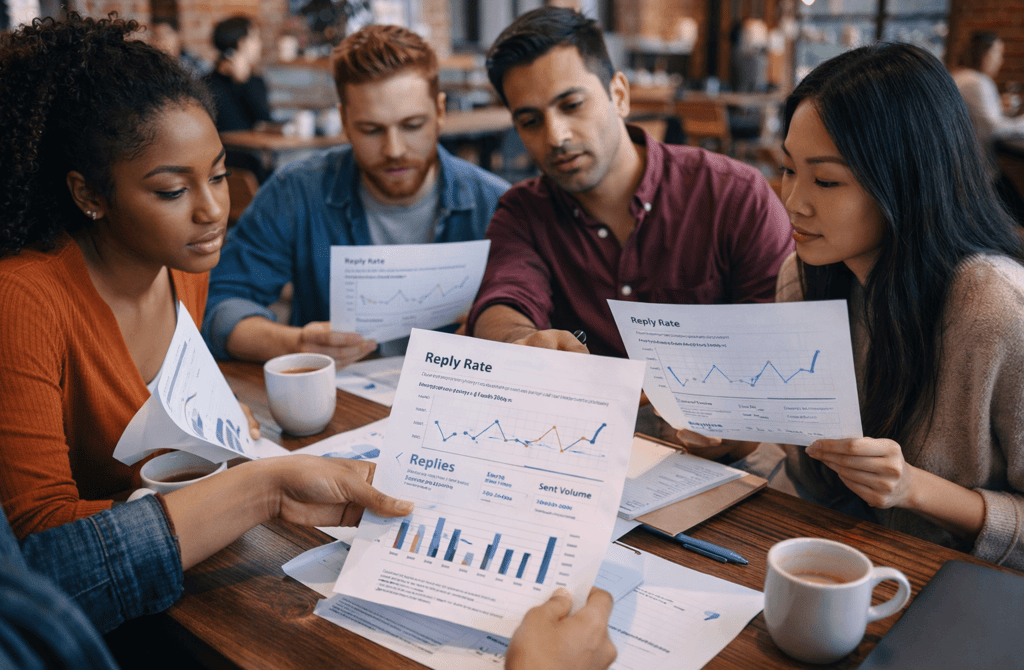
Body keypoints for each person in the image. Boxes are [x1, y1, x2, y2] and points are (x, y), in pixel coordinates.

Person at [682, 43, 1024, 568]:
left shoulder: (996, 309)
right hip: (827, 556)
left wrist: (915, 488)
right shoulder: (801, 276)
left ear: (906, 180)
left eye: (826, 180)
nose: (793, 201)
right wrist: (733, 442)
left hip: (950, 591)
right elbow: (803, 469)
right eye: (788, 169)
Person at [467, 8, 792, 359]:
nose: (556, 136)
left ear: (619, 95)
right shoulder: (523, 213)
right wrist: (520, 343)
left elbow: (782, 339)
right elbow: (504, 299)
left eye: (572, 104)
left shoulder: (734, 196)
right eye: (531, 121)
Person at [202, 24, 509, 365]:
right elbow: (219, 302)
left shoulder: (497, 206)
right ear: (345, 121)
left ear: (439, 112)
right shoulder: (296, 193)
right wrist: (295, 344)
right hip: (340, 405)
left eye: (412, 126)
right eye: (371, 129)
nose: (393, 150)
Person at [952, 31, 1024, 223]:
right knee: (1017, 214)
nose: (1000, 61)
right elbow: (993, 128)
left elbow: (978, 118)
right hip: (978, 171)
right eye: (998, 53)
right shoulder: (978, 82)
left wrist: (999, 107)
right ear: (986, 54)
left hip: (961, 166)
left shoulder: (961, 76)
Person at [204, 15, 273, 133]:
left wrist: (244, 80)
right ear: (241, 43)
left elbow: (265, 120)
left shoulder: (254, 81)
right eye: (255, 38)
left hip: (253, 149)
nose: (260, 44)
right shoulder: (208, 85)